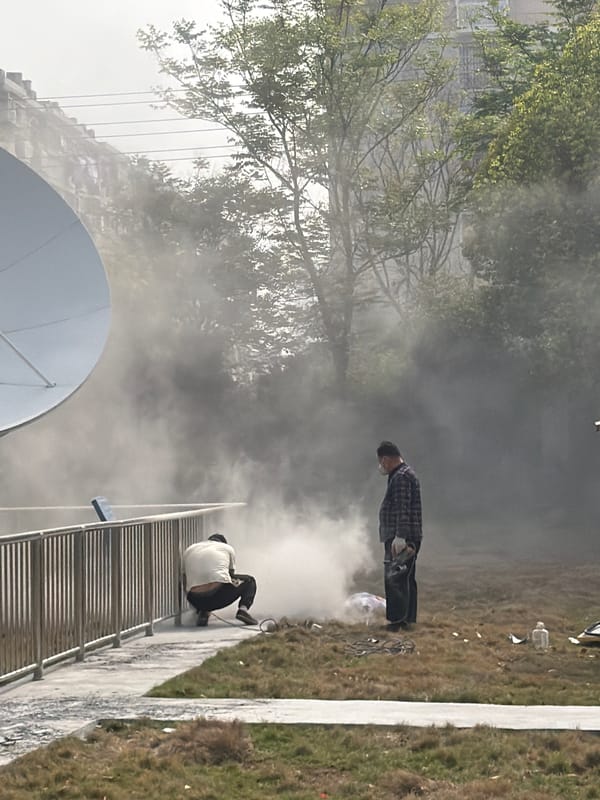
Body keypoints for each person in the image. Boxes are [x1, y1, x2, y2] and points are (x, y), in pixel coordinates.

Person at [376, 441, 422, 631]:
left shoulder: (401, 477)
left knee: (395, 578)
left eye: (381, 462)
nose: (381, 466)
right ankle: (407, 620)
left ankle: (396, 622)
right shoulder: (403, 474)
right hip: (408, 536)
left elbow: (402, 509)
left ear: (386, 459)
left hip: (402, 538)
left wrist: (400, 537)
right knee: (406, 578)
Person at [182, 533, 258, 627]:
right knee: (249, 581)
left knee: (201, 581)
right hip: (218, 596)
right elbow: (230, 576)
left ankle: (203, 613)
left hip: (195, 600)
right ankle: (243, 611)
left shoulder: (190, 549)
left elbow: (184, 579)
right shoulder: (227, 548)